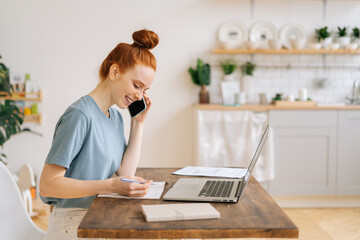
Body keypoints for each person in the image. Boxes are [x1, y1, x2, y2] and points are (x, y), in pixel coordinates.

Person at [39, 29, 159, 240]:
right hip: (72, 224)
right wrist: (109, 185)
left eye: (145, 90)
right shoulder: (80, 115)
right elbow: (48, 184)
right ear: (115, 72)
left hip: (98, 216)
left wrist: (138, 123)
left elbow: (125, 173)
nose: (140, 95)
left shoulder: (114, 116)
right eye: (136, 85)